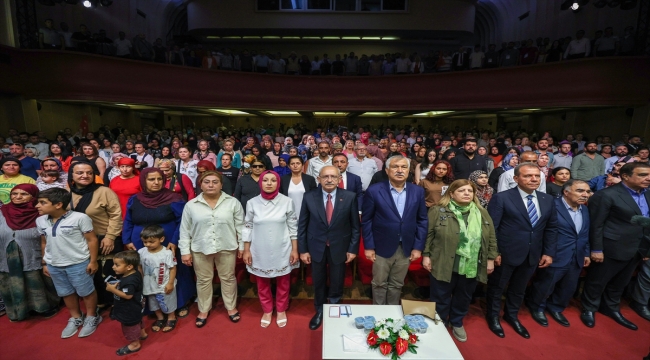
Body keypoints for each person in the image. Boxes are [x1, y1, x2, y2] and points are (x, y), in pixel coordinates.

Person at [485, 164, 557, 339]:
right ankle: (493, 316)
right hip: (506, 253)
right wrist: (493, 253)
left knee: (519, 289)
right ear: (516, 179)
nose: (533, 179)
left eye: (536, 176)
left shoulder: (547, 199)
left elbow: (551, 228)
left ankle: (512, 315)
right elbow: (491, 228)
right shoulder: (502, 198)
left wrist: (548, 252)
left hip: (533, 253)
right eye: (528, 176)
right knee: (497, 288)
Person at [422, 179, 497, 342]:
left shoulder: (481, 212)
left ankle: (456, 322)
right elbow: (428, 234)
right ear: (451, 193)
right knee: (440, 296)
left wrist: (490, 259)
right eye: (462, 190)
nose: (466, 194)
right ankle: (440, 322)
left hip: (470, 264)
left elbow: (491, 237)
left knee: (463, 296)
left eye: (470, 191)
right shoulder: (438, 210)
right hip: (443, 261)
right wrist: (426, 255)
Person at [580, 163, 650, 330]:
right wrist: (596, 249)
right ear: (625, 176)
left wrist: (647, 248)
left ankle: (611, 308)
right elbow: (596, 224)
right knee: (597, 281)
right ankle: (589, 309)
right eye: (642, 175)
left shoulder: (648, 194)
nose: (648, 178)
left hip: (637, 247)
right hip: (610, 246)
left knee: (621, 282)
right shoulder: (606, 195)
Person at [122, 168, 194, 319]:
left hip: (168, 241)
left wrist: (175, 241)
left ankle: (179, 303)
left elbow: (183, 221)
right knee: (147, 273)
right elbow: (128, 220)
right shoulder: (135, 199)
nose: (156, 182)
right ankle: (152, 307)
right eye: (151, 179)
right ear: (143, 181)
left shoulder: (173, 198)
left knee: (172, 271)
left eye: (159, 179)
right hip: (141, 243)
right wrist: (127, 240)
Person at [298, 166, 361, 330]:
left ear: (339, 179)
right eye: (325, 176)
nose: (329, 180)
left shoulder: (350, 197)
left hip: (340, 246)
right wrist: (303, 250)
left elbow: (355, 226)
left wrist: (353, 249)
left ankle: (334, 308)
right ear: (318, 179)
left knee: (337, 280)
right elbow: (302, 225)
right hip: (315, 247)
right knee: (318, 281)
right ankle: (319, 309)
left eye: (333, 176)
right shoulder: (309, 196)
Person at [179, 171, 244, 328]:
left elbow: (241, 227)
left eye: (215, 182)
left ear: (221, 185)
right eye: (207, 182)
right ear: (201, 185)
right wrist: (185, 251)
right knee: (203, 280)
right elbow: (185, 230)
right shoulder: (191, 205)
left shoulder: (233, 202)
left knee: (228, 278)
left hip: (227, 246)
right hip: (200, 247)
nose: (211, 185)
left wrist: (242, 245)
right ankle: (203, 309)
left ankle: (231, 307)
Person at [36, 188, 102, 338]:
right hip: (54, 264)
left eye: (42, 203)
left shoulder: (80, 218)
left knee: (86, 291)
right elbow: (44, 242)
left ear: (58, 204)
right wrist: (45, 262)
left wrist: (93, 261)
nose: (37, 206)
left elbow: (92, 240)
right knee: (65, 292)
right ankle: (76, 317)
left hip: (78, 262)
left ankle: (92, 316)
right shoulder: (40, 220)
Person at [362, 155, 428, 305]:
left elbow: (422, 220)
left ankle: (392, 312)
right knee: (379, 283)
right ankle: (379, 313)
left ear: (409, 170)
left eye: (403, 167)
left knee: (397, 284)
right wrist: (369, 246)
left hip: (406, 246)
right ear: (387, 170)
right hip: (381, 246)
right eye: (395, 167)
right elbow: (366, 220)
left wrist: (418, 247)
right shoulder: (374, 190)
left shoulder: (417, 191)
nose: (399, 170)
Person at [527, 179, 592, 328]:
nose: (585, 195)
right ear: (566, 192)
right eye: (580, 191)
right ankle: (537, 307)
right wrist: (545, 252)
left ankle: (556, 307)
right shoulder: (551, 206)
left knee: (568, 286)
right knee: (546, 284)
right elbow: (541, 232)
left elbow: (584, 233)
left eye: (588, 192)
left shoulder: (585, 209)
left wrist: (586, 253)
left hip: (577, 255)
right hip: (555, 253)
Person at [242, 170, 299, 328]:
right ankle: (267, 310)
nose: (269, 183)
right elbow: (247, 227)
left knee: (283, 281)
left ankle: (281, 309)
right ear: (260, 183)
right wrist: (246, 250)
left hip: (282, 247)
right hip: (259, 248)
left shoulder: (287, 201)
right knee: (262, 281)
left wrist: (295, 250)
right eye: (265, 180)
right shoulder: (252, 202)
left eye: (273, 180)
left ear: (278, 183)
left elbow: (293, 227)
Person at [68, 160, 123, 311]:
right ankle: (98, 301)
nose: (85, 176)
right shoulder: (67, 194)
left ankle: (114, 301)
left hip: (105, 239)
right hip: (79, 242)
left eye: (89, 173)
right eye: (80, 173)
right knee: (90, 273)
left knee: (109, 272)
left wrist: (110, 236)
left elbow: (116, 215)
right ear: (71, 175)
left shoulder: (104, 192)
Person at [0, 184, 59, 321]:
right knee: (12, 283)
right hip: (7, 257)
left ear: (33, 197)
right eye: (15, 193)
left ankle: (43, 307)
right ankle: (18, 310)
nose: (18, 197)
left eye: (24, 194)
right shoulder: (3, 211)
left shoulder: (41, 212)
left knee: (36, 281)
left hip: (34, 255)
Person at [138, 225, 178, 333]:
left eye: (151, 242)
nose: (148, 245)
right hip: (149, 284)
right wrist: (141, 280)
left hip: (164, 283)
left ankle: (171, 317)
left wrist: (170, 283)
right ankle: (160, 318)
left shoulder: (167, 253)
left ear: (161, 239)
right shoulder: (141, 252)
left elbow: (173, 268)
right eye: (145, 242)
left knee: (168, 301)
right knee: (153, 303)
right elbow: (139, 267)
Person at [106, 250, 146, 356]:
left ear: (129, 267)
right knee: (137, 320)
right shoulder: (134, 273)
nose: (113, 267)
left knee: (129, 326)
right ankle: (142, 333)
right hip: (136, 307)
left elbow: (128, 295)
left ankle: (135, 344)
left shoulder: (130, 281)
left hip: (128, 310)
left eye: (117, 265)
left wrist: (112, 290)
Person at [280, 156, 318, 220]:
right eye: (292, 164)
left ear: (302, 165)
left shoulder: (309, 179)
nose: (295, 166)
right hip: (288, 213)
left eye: (298, 163)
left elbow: (314, 197)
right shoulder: (283, 179)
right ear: (289, 166)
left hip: (306, 214)